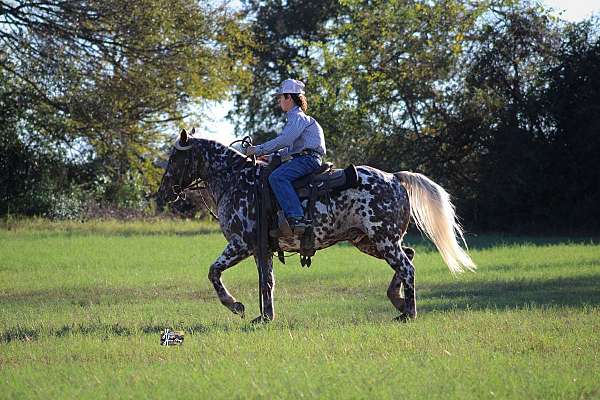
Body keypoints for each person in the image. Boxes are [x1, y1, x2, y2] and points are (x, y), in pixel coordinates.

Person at [246, 78, 326, 231]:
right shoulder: (296, 119)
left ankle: (296, 217)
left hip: (308, 159)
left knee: (277, 177)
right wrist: (269, 157)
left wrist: (258, 150)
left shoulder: (297, 117)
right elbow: (289, 149)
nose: (279, 101)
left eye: (280, 97)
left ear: (289, 97)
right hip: (305, 158)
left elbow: (284, 140)